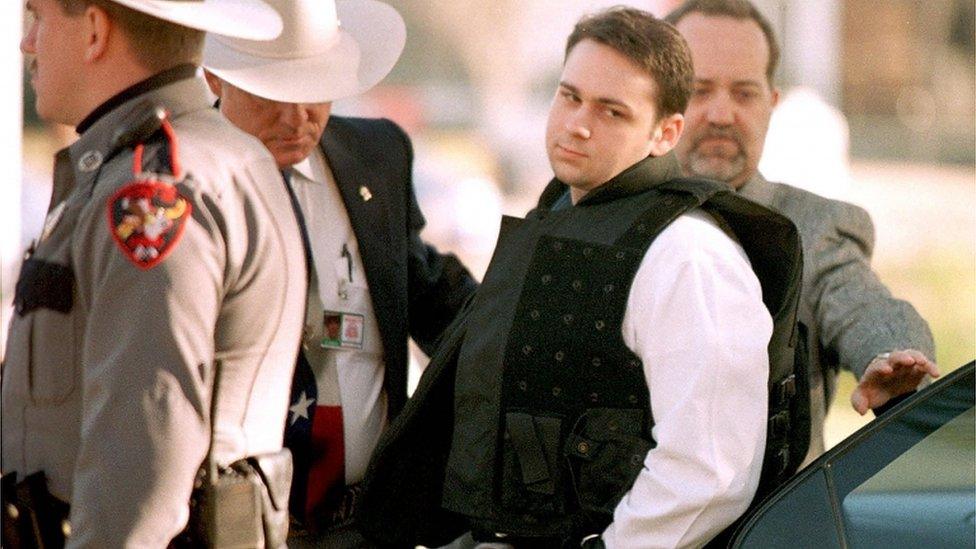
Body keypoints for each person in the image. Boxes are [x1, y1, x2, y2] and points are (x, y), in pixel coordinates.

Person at [356, 7, 805, 548]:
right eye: (569, 96)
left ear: (666, 133)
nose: (577, 124)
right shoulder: (565, 212)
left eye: (612, 111)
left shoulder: (689, 255)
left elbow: (708, 472)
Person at [1, 0, 307, 546]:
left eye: (38, 19)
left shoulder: (151, 192)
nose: (27, 44)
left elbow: (139, 461)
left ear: (94, 30)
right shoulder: (210, 158)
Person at [201, 0, 477, 545]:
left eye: (316, 89)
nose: (297, 117)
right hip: (233, 525)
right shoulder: (176, 174)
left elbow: (433, 299)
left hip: (365, 523)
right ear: (217, 76)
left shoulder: (376, 155)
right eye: (273, 94)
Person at [664, 0, 939, 461]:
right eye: (699, 90)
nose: (721, 113)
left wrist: (893, 355)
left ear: (772, 104)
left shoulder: (814, 228)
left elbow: (864, 305)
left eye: (744, 93)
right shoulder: (614, 215)